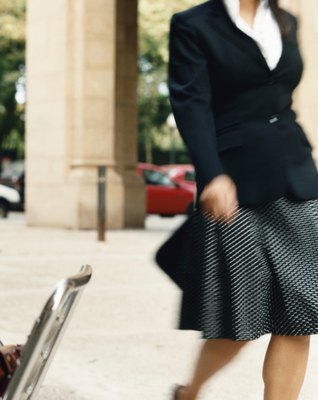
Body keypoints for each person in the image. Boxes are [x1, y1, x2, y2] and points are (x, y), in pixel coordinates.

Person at [166, 1, 318, 399]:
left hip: (295, 179)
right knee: (240, 322)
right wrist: (211, 174)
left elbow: (279, 99)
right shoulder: (193, 25)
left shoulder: (287, 21)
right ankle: (190, 392)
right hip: (234, 186)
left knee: (301, 315)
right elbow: (191, 102)